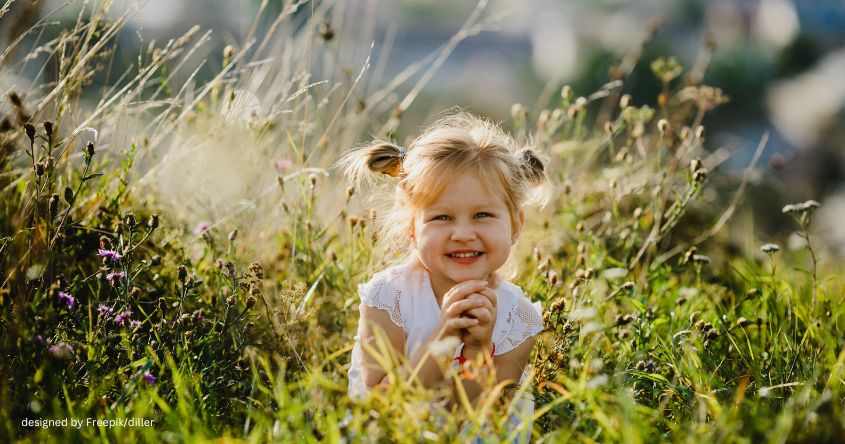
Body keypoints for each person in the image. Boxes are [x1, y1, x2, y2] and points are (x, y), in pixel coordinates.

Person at [339, 112, 549, 442]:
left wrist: (479, 350)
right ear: (412, 229)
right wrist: (442, 339)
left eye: (482, 215)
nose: (463, 233)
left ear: (516, 225)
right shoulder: (388, 299)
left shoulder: (517, 318)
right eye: (441, 217)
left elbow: (484, 418)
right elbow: (385, 410)